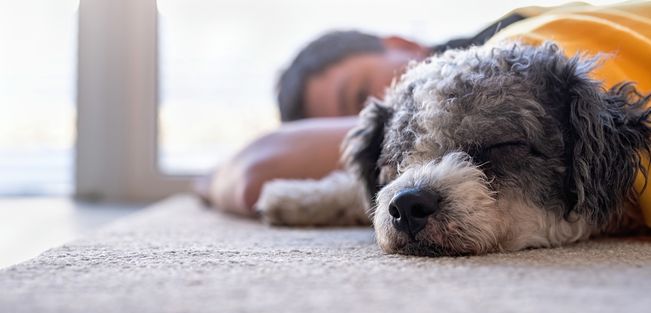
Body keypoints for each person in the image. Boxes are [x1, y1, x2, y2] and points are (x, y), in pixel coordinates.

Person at [200, 1, 651, 217]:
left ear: (400, 45)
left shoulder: (541, 67)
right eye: (397, 161)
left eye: (358, 97)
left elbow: (258, 169)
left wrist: (212, 176)